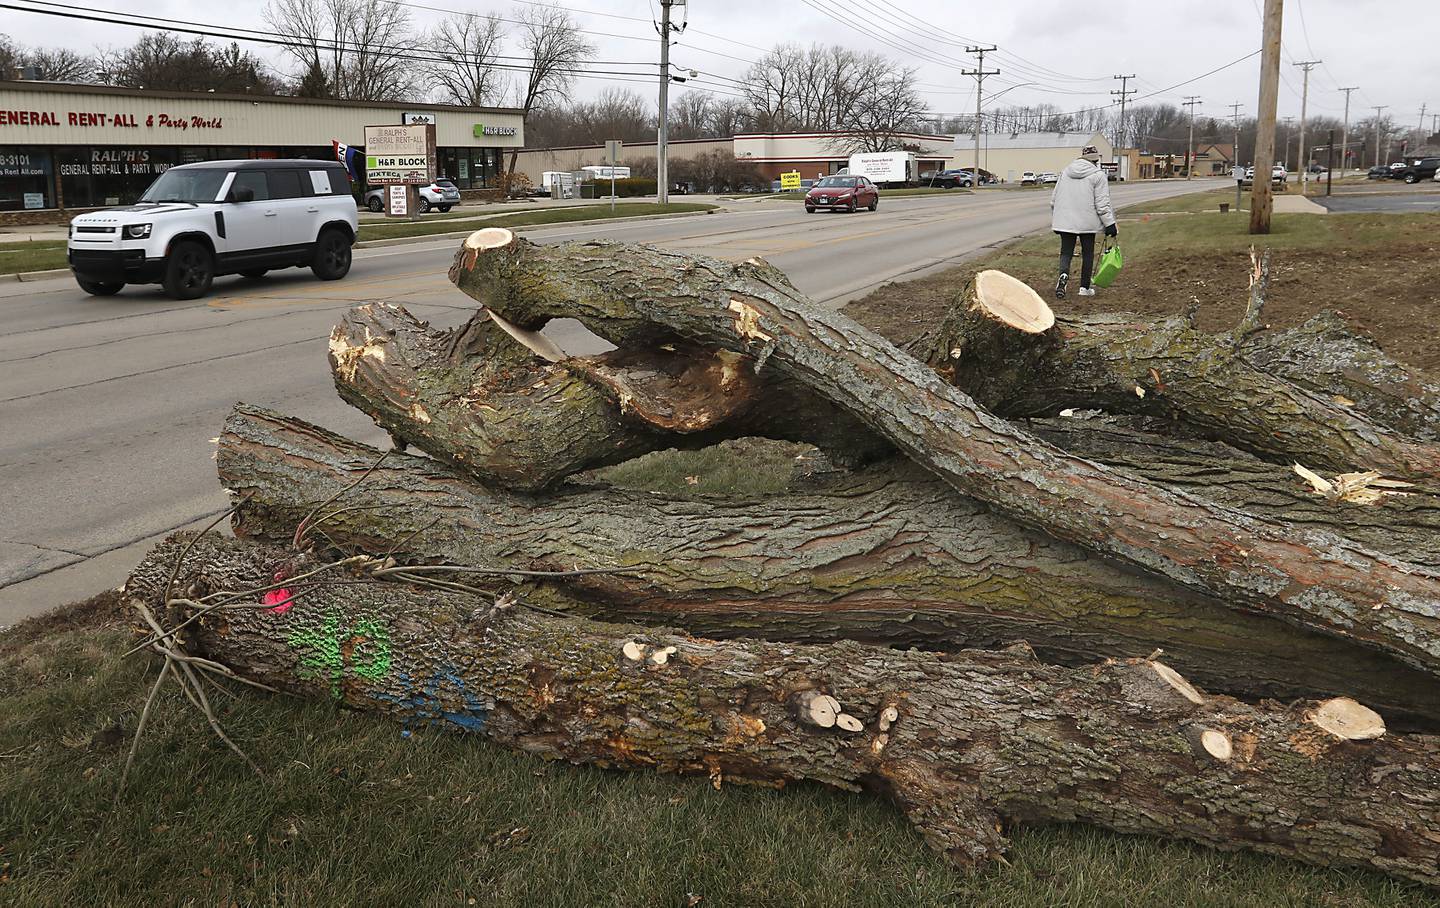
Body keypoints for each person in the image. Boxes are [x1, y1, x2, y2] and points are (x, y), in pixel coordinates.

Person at [1050, 144, 1117, 299]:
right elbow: (1102, 204)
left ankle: (1063, 276)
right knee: (1088, 254)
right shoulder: (1098, 175)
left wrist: (1058, 217)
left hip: (1066, 221)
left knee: (1066, 252)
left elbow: (1054, 200)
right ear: (1095, 160)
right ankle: (1084, 287)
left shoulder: (1065, 172)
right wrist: (1110, 224)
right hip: (1087, 222)